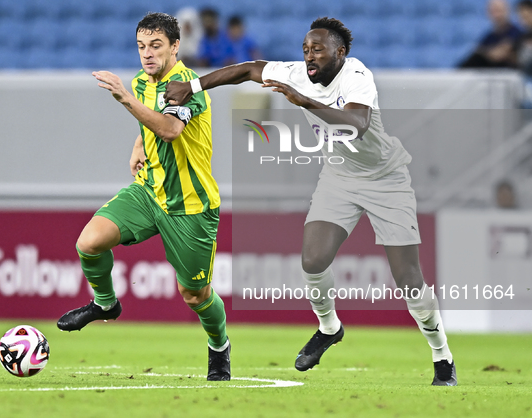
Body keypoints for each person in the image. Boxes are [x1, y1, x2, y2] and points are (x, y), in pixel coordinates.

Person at [165, 17, 457, 386]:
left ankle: (441, 355)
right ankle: (329, 327)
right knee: (313, 259)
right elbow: (249, 70)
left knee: (408, 278)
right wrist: (193, 85)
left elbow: (358, 123)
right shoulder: (297, 73)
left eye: (317, 49)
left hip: (387, 179)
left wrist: (304, 100)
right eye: (305, 50)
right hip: (339, 176)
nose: (309, 57)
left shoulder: (357, 76)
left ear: (341, 52)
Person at [56, 12, 230, 381]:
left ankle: (219, 346)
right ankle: (105, 304)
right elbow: (150, 122)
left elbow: (168, 128)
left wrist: (124, 99)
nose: (146, 54)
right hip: (149, 189)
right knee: (89, 243)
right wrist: (138, 142)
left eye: (155, 46)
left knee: (194, 294)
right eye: (141, 47)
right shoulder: (141, 82)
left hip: (191, 205)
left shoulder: (188, 85)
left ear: (175, 47)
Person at [460, 0, 522, 69]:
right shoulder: (489, 37)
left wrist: (486, 52)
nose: (496, 15)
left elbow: (498, 54)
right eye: (493, 11)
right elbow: (478, 50)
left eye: (499, 10)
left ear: (507, 11)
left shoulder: (515, 32)